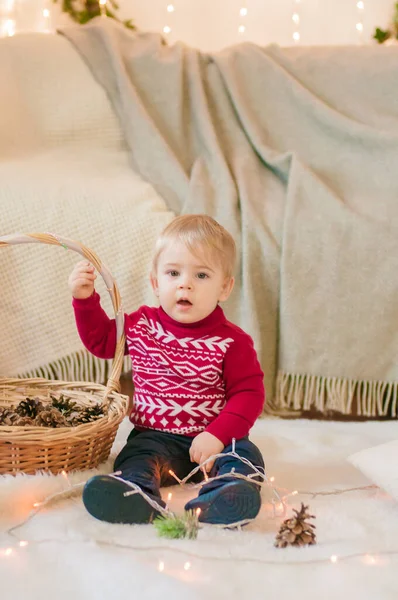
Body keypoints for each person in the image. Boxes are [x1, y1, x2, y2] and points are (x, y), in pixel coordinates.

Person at [69, 214, 266, 525]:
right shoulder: (141, 325)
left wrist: (217, 434)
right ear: (155, 282)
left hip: (213, 439)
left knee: (244, 455)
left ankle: (227, 494)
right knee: (135, 456)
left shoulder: (232, 341)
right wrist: (85, 300)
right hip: (155, 437)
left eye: (201, 276)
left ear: (224, 288)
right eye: (173, 272)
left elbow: (249, 394)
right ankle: (135, 493)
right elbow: (103, 342)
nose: (184, 283)